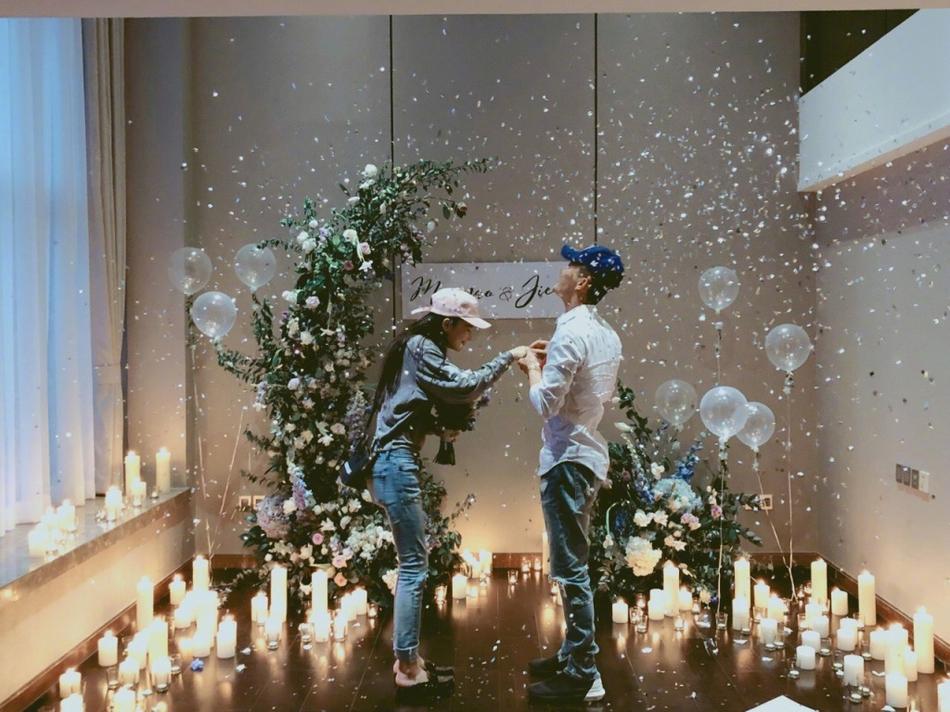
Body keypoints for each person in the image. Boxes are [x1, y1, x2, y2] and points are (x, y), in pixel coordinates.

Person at [369, 287, 531, 700]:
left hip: (392, 461)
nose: (469, 336)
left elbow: (407, 407)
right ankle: (407, 669)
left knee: (412, 564)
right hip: (394, 463)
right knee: (413, 567)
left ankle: (410, 660)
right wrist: (509, 356)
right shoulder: (423, 348)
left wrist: (439, 428)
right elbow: (465, 385)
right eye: (466, 328)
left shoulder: (415, 347)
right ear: (447, 324)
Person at [518, 244, 624, 703]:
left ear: (582, 281)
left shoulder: (571, 331)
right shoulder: (605, 333)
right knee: (574, 563)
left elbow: (546, 404)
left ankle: (584, 672)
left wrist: (531, 369)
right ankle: (571, 654)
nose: (561, 270)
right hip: (586, 456)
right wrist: (552, 363)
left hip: (566, 460)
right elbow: (596, 393)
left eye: (570, 265)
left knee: (570, 569)